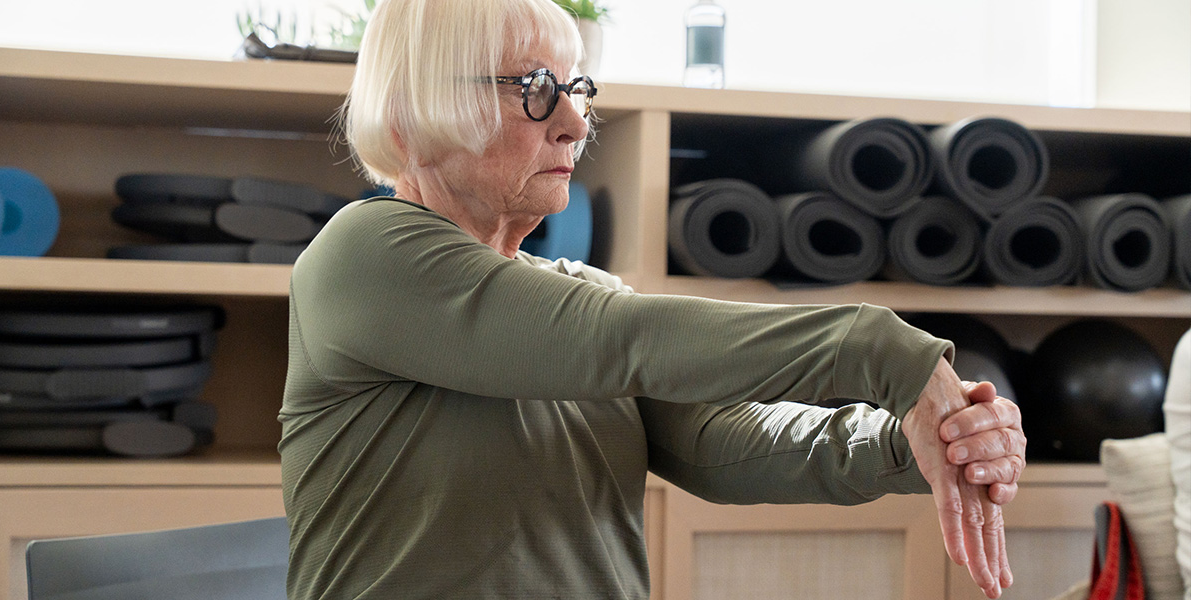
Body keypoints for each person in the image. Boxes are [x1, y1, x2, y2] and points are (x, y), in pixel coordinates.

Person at [278, 0, 1027, 598]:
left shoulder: (582, 294)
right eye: (535, 90)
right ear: (417, 111)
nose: (574, 122)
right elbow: (621, 340)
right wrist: (879, 347)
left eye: (575, 90)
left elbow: (726, 446)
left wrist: (920, 442)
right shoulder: (364, 256)